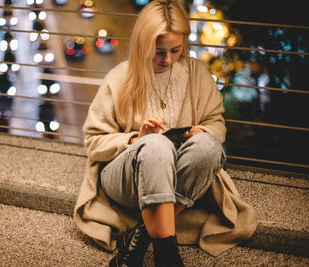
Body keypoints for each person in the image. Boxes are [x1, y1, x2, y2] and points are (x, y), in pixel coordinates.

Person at [74, 0, 258, 266]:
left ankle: (141, 241)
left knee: (208, 146)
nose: (168, 59)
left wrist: (198, 132)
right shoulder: (119, 78)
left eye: (176, 50)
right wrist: (136, 138)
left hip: (176, 175)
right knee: (156, 145)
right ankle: (167, 256)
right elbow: (94, 142)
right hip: (125, 179)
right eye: (159, 52)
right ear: (142, 44)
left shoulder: (196, 74)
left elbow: (217, 127)